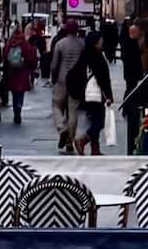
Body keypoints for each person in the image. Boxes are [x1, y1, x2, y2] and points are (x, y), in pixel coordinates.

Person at [68, 29, 116, 156]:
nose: (102, 43)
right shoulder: (98, 57)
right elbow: (103, 79)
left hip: (88, 93)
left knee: (95, 120)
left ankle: (95, 149)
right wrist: (109, 96)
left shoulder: (85, 54)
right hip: (96, 93)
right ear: (95, 43)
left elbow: (75, 72)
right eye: (100, 41)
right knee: (99, 122)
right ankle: (82, 140)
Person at [47, 19, 87, 153]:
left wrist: (53, 78)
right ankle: (70, 140)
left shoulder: (60, 44)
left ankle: (62, 128)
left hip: (61, 80)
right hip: (76, 82)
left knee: (57, 106)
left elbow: (54, 65)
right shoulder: (82, 44)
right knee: (73, 111)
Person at [2, 24, 37, 125]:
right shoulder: (24, 44)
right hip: (22, 73)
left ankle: (15, 111)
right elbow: (30, 57)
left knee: (14, 93)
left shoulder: (10, 42)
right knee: (20, 93)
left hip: (12, 73)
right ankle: (19, 109)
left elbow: (5, 56)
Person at [118, 21, 147, 93]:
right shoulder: (127, 43)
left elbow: (140, 53)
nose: (138, 34)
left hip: (134, 72)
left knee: (132, 89)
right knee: (130, 89)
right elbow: (130, 58)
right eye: (137, 32)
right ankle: (126, 103)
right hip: (131, 73)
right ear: (133, 32)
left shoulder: (134, 42)